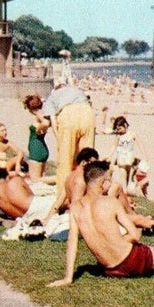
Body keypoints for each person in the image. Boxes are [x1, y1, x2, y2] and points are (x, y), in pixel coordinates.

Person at [48, 161, 154, 286]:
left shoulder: (75, 208)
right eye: (109, 181)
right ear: (102, 183)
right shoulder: (110, 202)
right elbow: (135, 235)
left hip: (109, 269)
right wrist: (116, 242)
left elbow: (72, 243)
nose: (110, 184)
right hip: (131, 260)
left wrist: (68, 278)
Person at [38, 81, 95, 213]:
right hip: (88, 114)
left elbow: (50, 121)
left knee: (65, 162)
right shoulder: (76, 91)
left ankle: (63, 199)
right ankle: (89, 195)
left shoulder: (52, 96)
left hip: (69, 117)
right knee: (87, 159)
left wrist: (58, 139)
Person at [22, 94, 50, 180]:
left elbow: (46, 123)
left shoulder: (39, 114)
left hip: (36, 149)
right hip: (41, 147)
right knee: (41, 179)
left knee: (35, 181)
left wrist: (39, 129)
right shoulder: (45, 113)